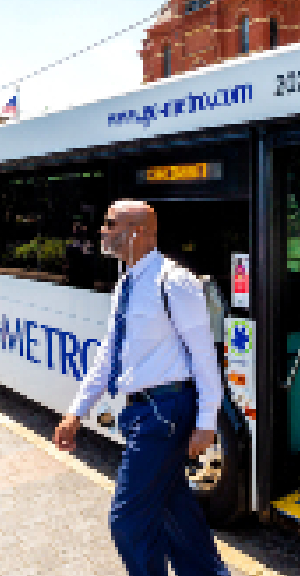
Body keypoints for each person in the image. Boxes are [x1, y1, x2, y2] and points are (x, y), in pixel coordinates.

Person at [53, 200, 229, 576]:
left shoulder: (174, 282)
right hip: (140, 413)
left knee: (127, 520)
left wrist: (207, 421)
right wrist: (76, 411)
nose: (102, 230)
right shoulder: (127, 282)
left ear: (137, 231)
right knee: (174, 508)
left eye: (109, 223)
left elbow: (204, 355)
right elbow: (108, 355)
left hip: (162, 414)